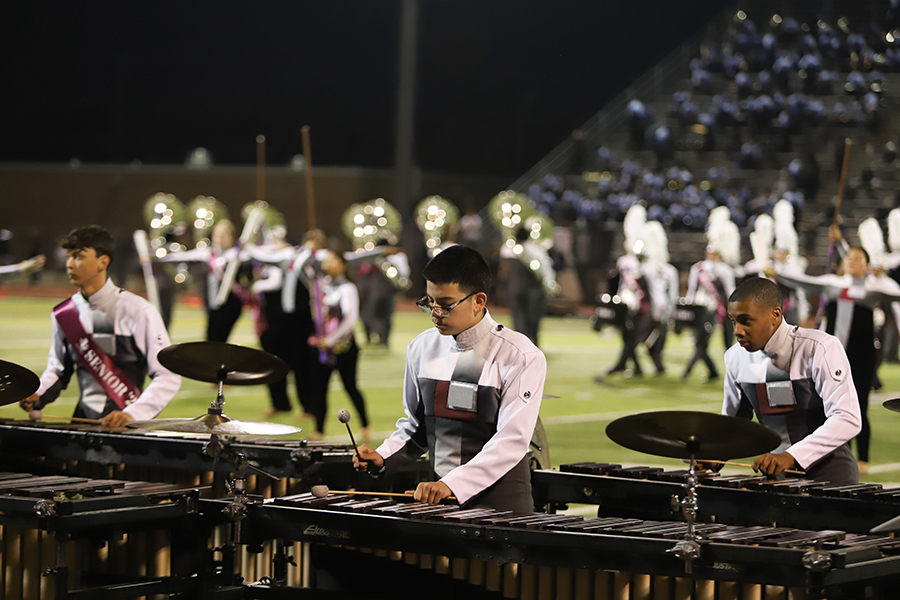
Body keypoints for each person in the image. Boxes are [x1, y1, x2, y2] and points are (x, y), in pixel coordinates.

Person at [354, 245, 546, 512]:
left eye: (445, 305)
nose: (435, 313)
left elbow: (511, 441)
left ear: (479, 301)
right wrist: (382, 456)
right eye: (429, 303)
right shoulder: (420, 348)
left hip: (500, 506)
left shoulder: (520, 355)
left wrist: (453, 484)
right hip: (440, 500)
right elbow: (417, 426)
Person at [19, 226, 181, 427]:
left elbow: (167, 376)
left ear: (102, 262)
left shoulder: (138, 310)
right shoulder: (64, 313)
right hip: (81, 422)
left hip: (125, 426)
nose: (69, 264)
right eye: (68, 256)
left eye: (78, 256)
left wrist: (134, 413)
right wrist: (38, 393)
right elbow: (58, 370)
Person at [773, 228, 900, 474]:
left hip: (861, 357)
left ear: (867, 265)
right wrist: (776, 272)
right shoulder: (832, 284)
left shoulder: (874, 289)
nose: (852, 261)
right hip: (827, 356)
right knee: (819, 402)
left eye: (858, 258)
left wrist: (883, 278)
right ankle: (823, 453)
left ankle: (862, 457)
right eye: (848, 257)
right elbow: (802, 281)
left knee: (858, 404)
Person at [721, 278, 861, 485]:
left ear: (775, 315)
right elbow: (734, 422)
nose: (737, 331)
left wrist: (791, 455)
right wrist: (715, 454)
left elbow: (847, 418)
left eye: (746, 321)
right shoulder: (734, 357)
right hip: (775, 480)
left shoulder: (820, 348)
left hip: (831, 477)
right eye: (733, 321)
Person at [307, 249, 370, 441]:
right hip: (323, 346)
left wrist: (332, 339)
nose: (328, 263)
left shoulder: (347, 288)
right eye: (327, 260)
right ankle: (319, 430)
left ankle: (366, 424)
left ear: (343, 264)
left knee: (350, 386)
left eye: (333, 260)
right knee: (319, 388)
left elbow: (350, 318)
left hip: (344, 347)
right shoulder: (321, 285)